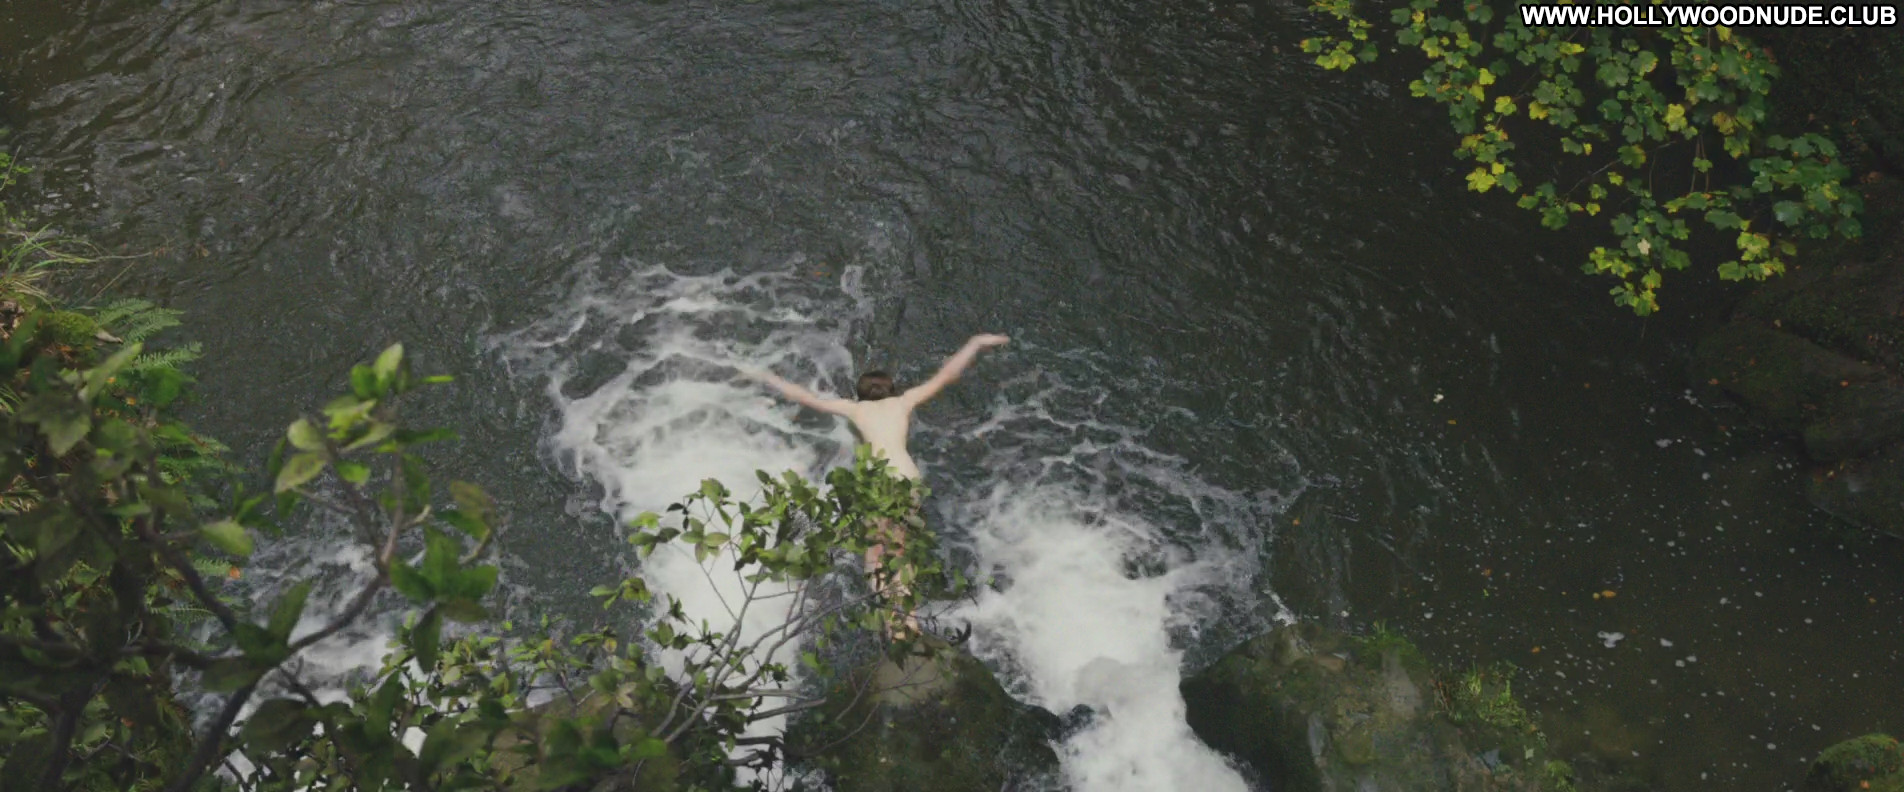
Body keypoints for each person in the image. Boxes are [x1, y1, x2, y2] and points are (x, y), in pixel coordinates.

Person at [752, 333, 1010, 632]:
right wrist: (976, 343)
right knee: (900, 550)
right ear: (891, 390)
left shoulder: (855, 408)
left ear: (861, 394)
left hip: (881, 480)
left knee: (875, 554)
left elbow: (805, 397)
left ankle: (892, 620)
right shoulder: (903, 402)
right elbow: (947, 374)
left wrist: (765, 376)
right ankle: (909, 619)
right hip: (908, 477)